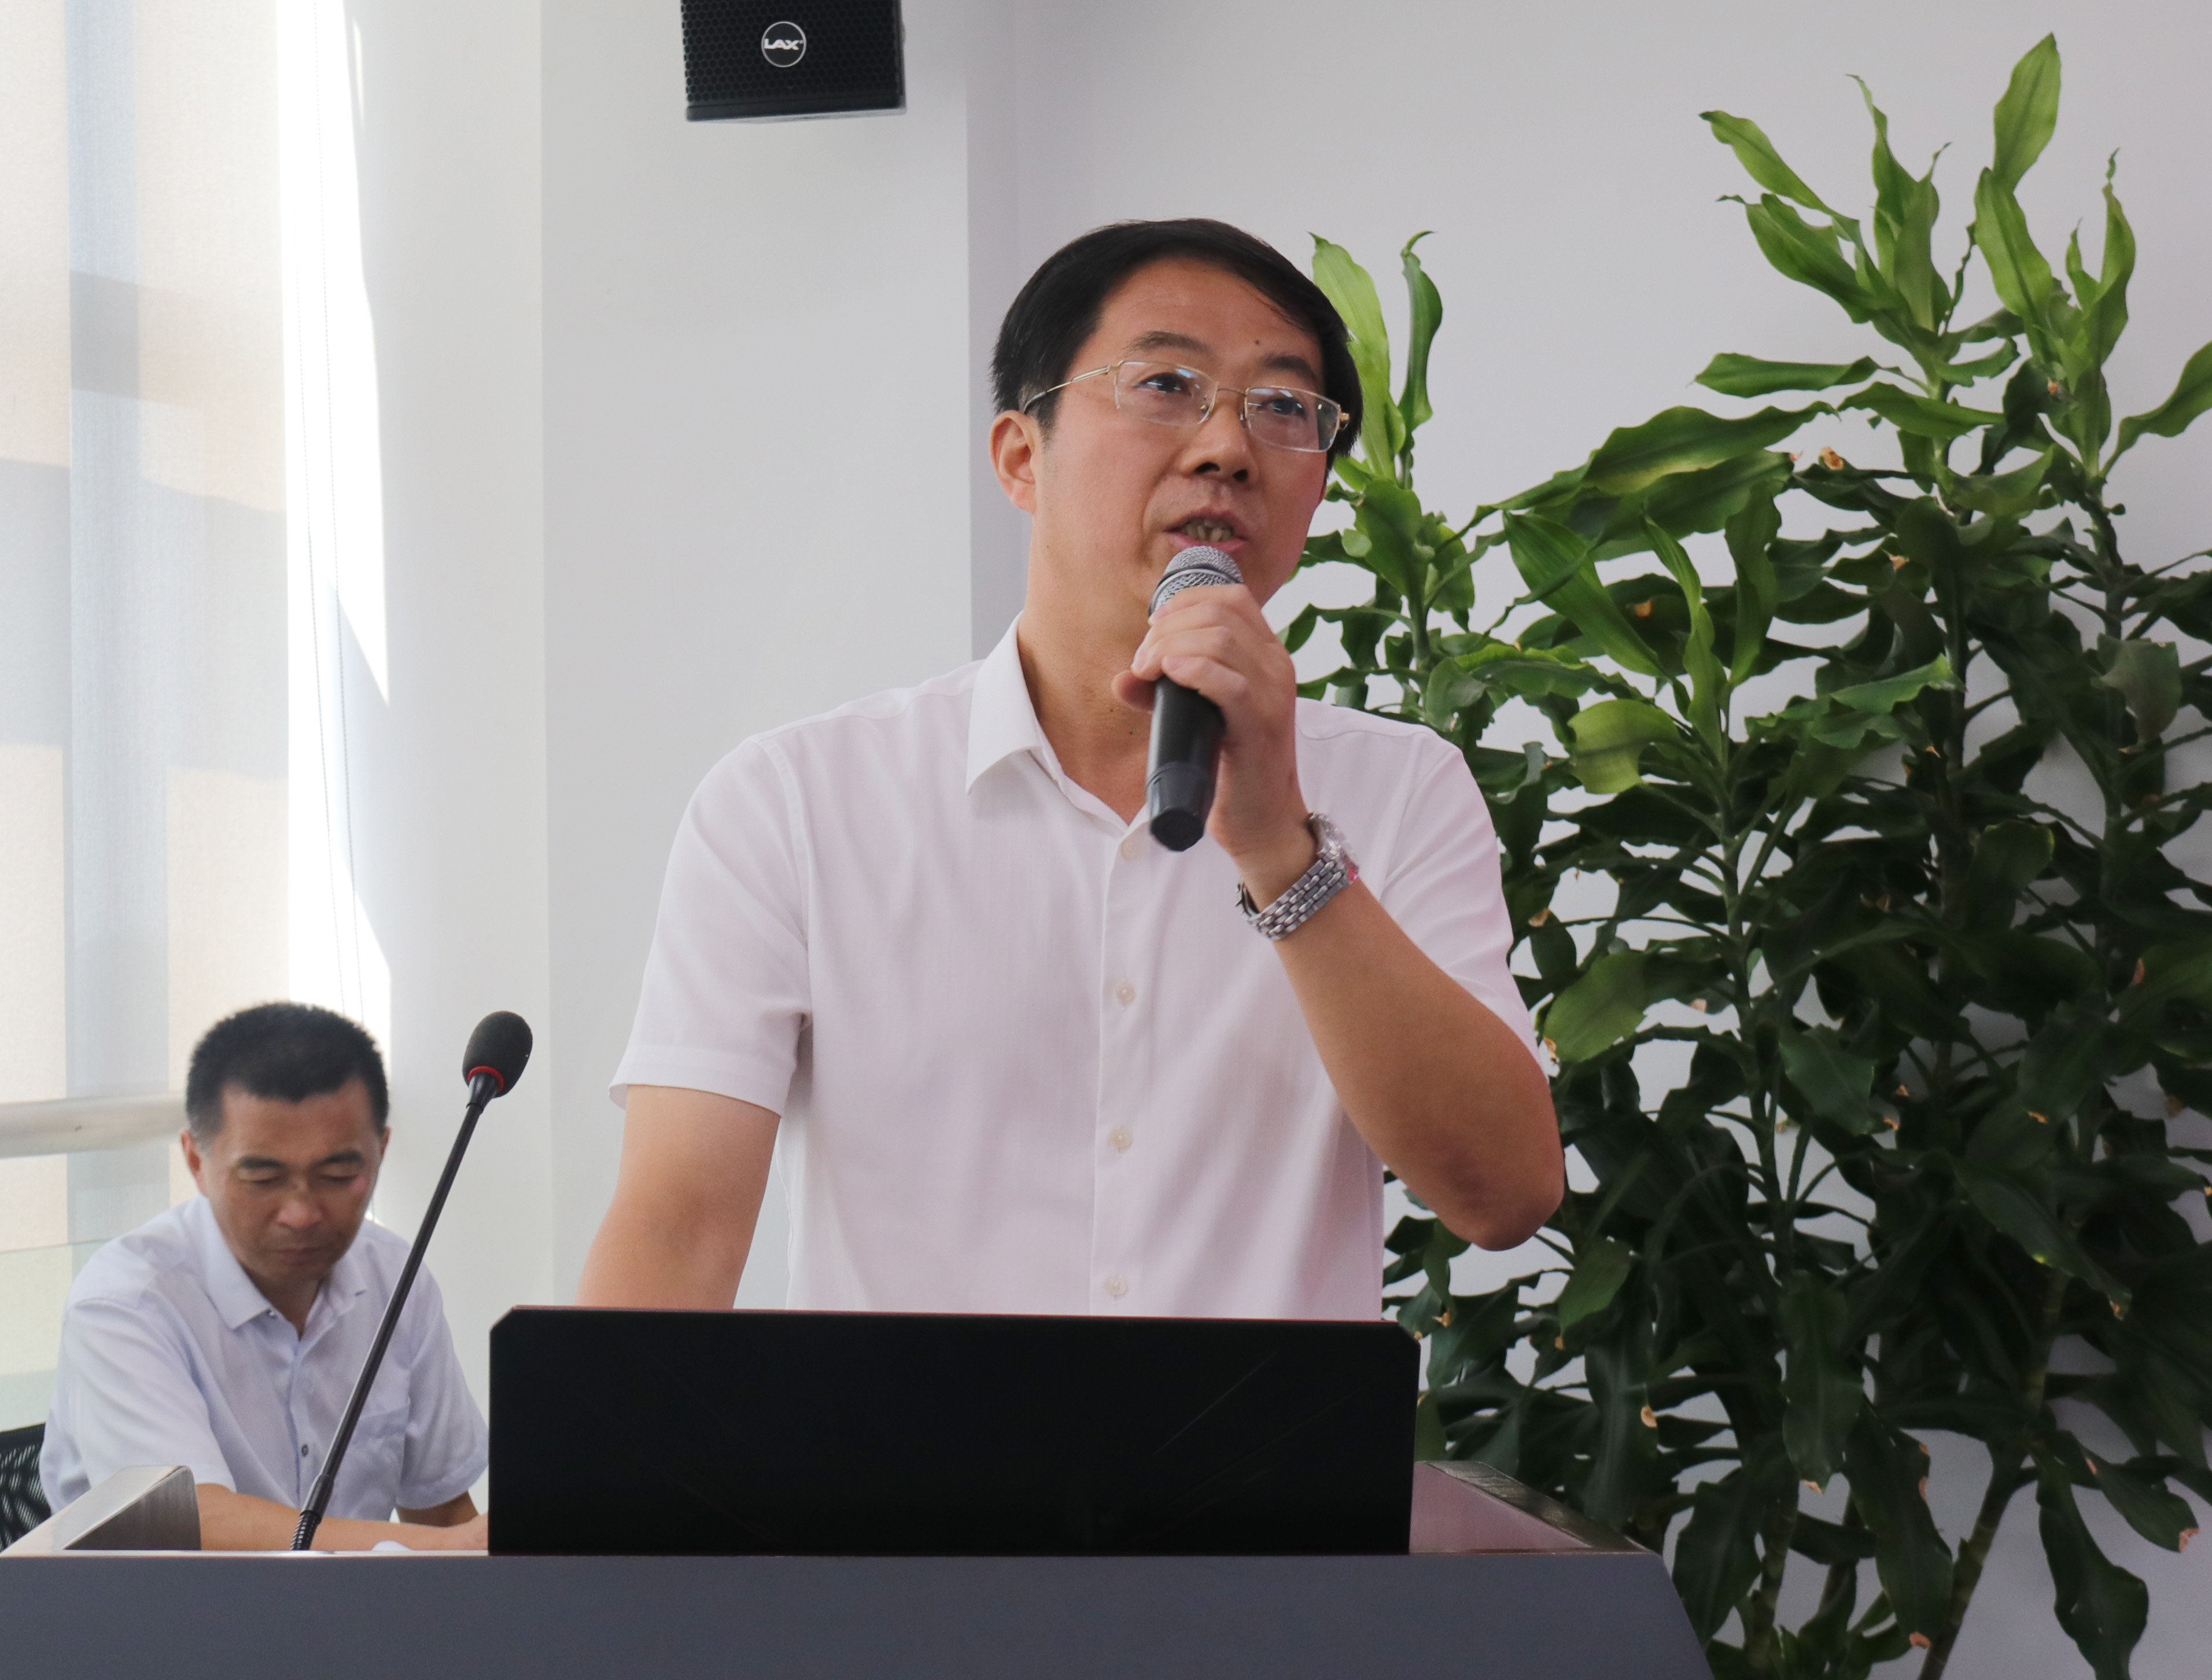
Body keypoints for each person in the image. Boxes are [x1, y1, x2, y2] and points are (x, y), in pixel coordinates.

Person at [578, 218, 1561, 1322]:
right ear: (1019, 456)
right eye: (1166, 384)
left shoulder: (1403, 790)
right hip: (897, 1445)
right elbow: (678, 1228)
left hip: (1258, 1447)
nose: (1227, 447)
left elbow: (1503, 1193)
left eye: (1284, 406)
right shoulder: (795, 802)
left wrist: (1280, 849)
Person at [41, 1003, 488, 1550]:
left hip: (360, 1603)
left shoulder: (397, 1277)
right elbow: (195, 1524)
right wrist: (448, 1548)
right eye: (263, 1178)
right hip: (169, 1605)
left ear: (382, 1151)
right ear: (196, 1162)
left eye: (337, 1174)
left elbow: (443, 1513)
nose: (300, 1213)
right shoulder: (124, 1303)